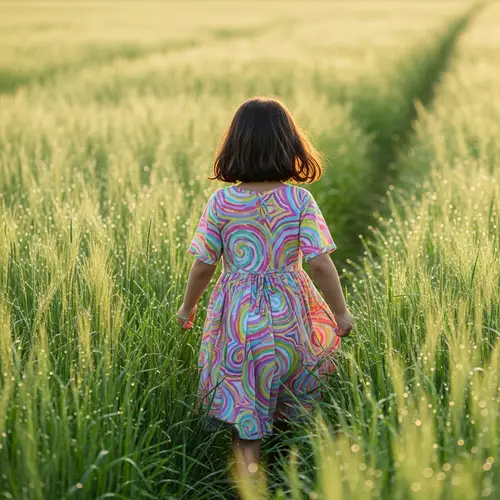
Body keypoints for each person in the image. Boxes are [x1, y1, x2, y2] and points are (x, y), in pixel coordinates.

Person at [177, 96, 355, 479]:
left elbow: (204, 265)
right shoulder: (299, 199)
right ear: (290, 144)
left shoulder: (223, 202)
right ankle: (297, 477)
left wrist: (188, 307)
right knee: (291, 403)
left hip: (239, 322)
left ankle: (251, 484)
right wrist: (340, 312)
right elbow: (320, 263)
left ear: (234, 146)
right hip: (292, 317)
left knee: (247, 414)